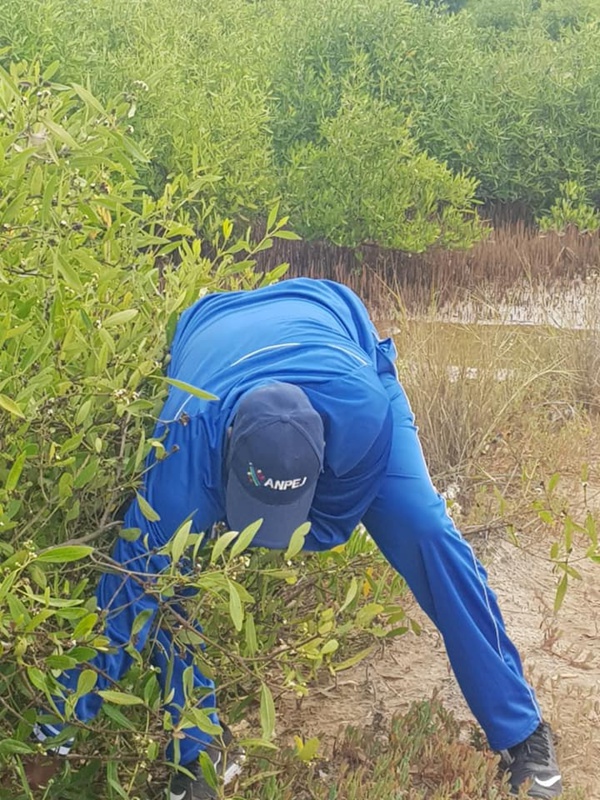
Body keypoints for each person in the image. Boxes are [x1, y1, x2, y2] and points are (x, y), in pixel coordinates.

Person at [29, 278, 562, 799]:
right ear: (229, 449)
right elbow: (124, 598)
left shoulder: (363, 416)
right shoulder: (184, 447)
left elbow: (330, 531)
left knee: (427, 532)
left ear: (326, 459)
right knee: (161, 573)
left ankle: (523, 732)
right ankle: (201, 746)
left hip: (332, 322)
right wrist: (53, 732)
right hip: (210, 330)